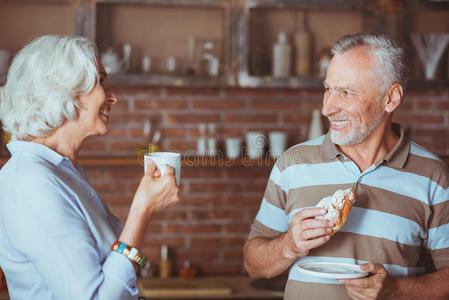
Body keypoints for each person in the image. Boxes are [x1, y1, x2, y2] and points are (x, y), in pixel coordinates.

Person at [243, 32, 449, 300]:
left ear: (391, 98)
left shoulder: (433, 176)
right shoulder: (292, 163)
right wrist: (290, 245)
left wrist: (396, 289)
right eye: (328, 89)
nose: (327, 108)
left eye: (346, 92)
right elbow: (253, 265)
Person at [0, 35, 179, 299]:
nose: (113, 98)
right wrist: (143, 208)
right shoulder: (33, 181)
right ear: (65, 91)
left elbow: (116, 262)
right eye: (101, 81)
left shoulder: (62, 171)